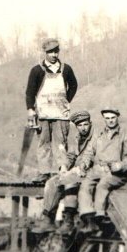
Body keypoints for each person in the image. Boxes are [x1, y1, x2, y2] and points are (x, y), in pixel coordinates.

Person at [25, 38, 79, 181]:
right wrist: (30, 109)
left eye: (56, 52)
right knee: (43, 143)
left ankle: (63, 170)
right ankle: (44, 172)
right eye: (51, 52)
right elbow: (30, 92)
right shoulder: (37, 70)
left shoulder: (66, 69)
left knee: (60, 143)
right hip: (43, 114)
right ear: (45, 53)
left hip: (60, 114)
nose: (54, 55)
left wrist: (66, 100)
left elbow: (74, 86)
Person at [33, 110, 94, 234]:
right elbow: (71, 155)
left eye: (85, 124)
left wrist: (81, 168)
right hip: (75, 171)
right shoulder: (76, 138)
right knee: (52, 182)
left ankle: (68, 221)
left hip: (90, 172)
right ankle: (48, 218)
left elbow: (93, 157)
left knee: (70, 183)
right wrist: (64, 167)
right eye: (80, 125)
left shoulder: (96, 138)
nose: (83, 128)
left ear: (90, 124)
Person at [77, 108, 127, 232]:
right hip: (98, 169)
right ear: (104, 119)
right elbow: (89, 152)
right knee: (85, 184)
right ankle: (89, 219)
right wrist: (84, 163)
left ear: (117, 117)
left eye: (113, 118)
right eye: (107, 118)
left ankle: (100, 216)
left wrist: (120, 166)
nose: (110, 121)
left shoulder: (126, 135)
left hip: (117, 173)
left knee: (102, 185)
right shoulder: (98, 135)